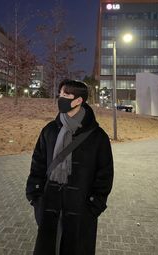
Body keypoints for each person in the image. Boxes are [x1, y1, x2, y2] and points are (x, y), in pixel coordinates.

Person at [26, 79, 114, 255]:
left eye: (66, 95)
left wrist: (93, 206)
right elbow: (38, 164)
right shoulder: (50, 130)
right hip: (50, 206)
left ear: (79, 100)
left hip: (81, 212)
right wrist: (36, 197)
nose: (61, 99)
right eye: (60, 95)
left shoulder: (98, 136)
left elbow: (105, 174)